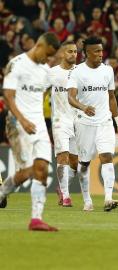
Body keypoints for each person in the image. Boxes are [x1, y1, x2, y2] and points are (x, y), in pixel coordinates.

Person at [0, 32, 60, 231]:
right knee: (27, 171)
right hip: (18, 124)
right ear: (40, 45)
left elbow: (44, 92)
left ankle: (36, 219)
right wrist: (22, 119)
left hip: (39, 125)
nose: (48, 59)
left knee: (41, 168)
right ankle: (2, 192)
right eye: (48, 54)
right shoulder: (16, 64)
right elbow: (8, 96)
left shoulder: (45, 70)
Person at [67, 36, 118, 212]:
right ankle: (87, 199)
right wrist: (83, 107)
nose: (101, 54)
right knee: (83, 164)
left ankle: (108, 198)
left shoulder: (108, 70)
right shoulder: (77, 72)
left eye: (101, 50)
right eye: (97, 51)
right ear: (86, 53)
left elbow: (112, 97)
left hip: (105, 122)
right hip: (85, 123)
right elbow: (70, 97)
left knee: (106, 156)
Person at [48, 41, 93, 210]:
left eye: (75, 52)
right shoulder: (52, 73)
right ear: (62, 53)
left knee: (75, 163)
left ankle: (61, 189)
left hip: (78, 120)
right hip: (60, 120)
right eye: (70, 51)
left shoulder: (81, 72)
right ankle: (66, 197)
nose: (74, 54)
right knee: (63, 156)